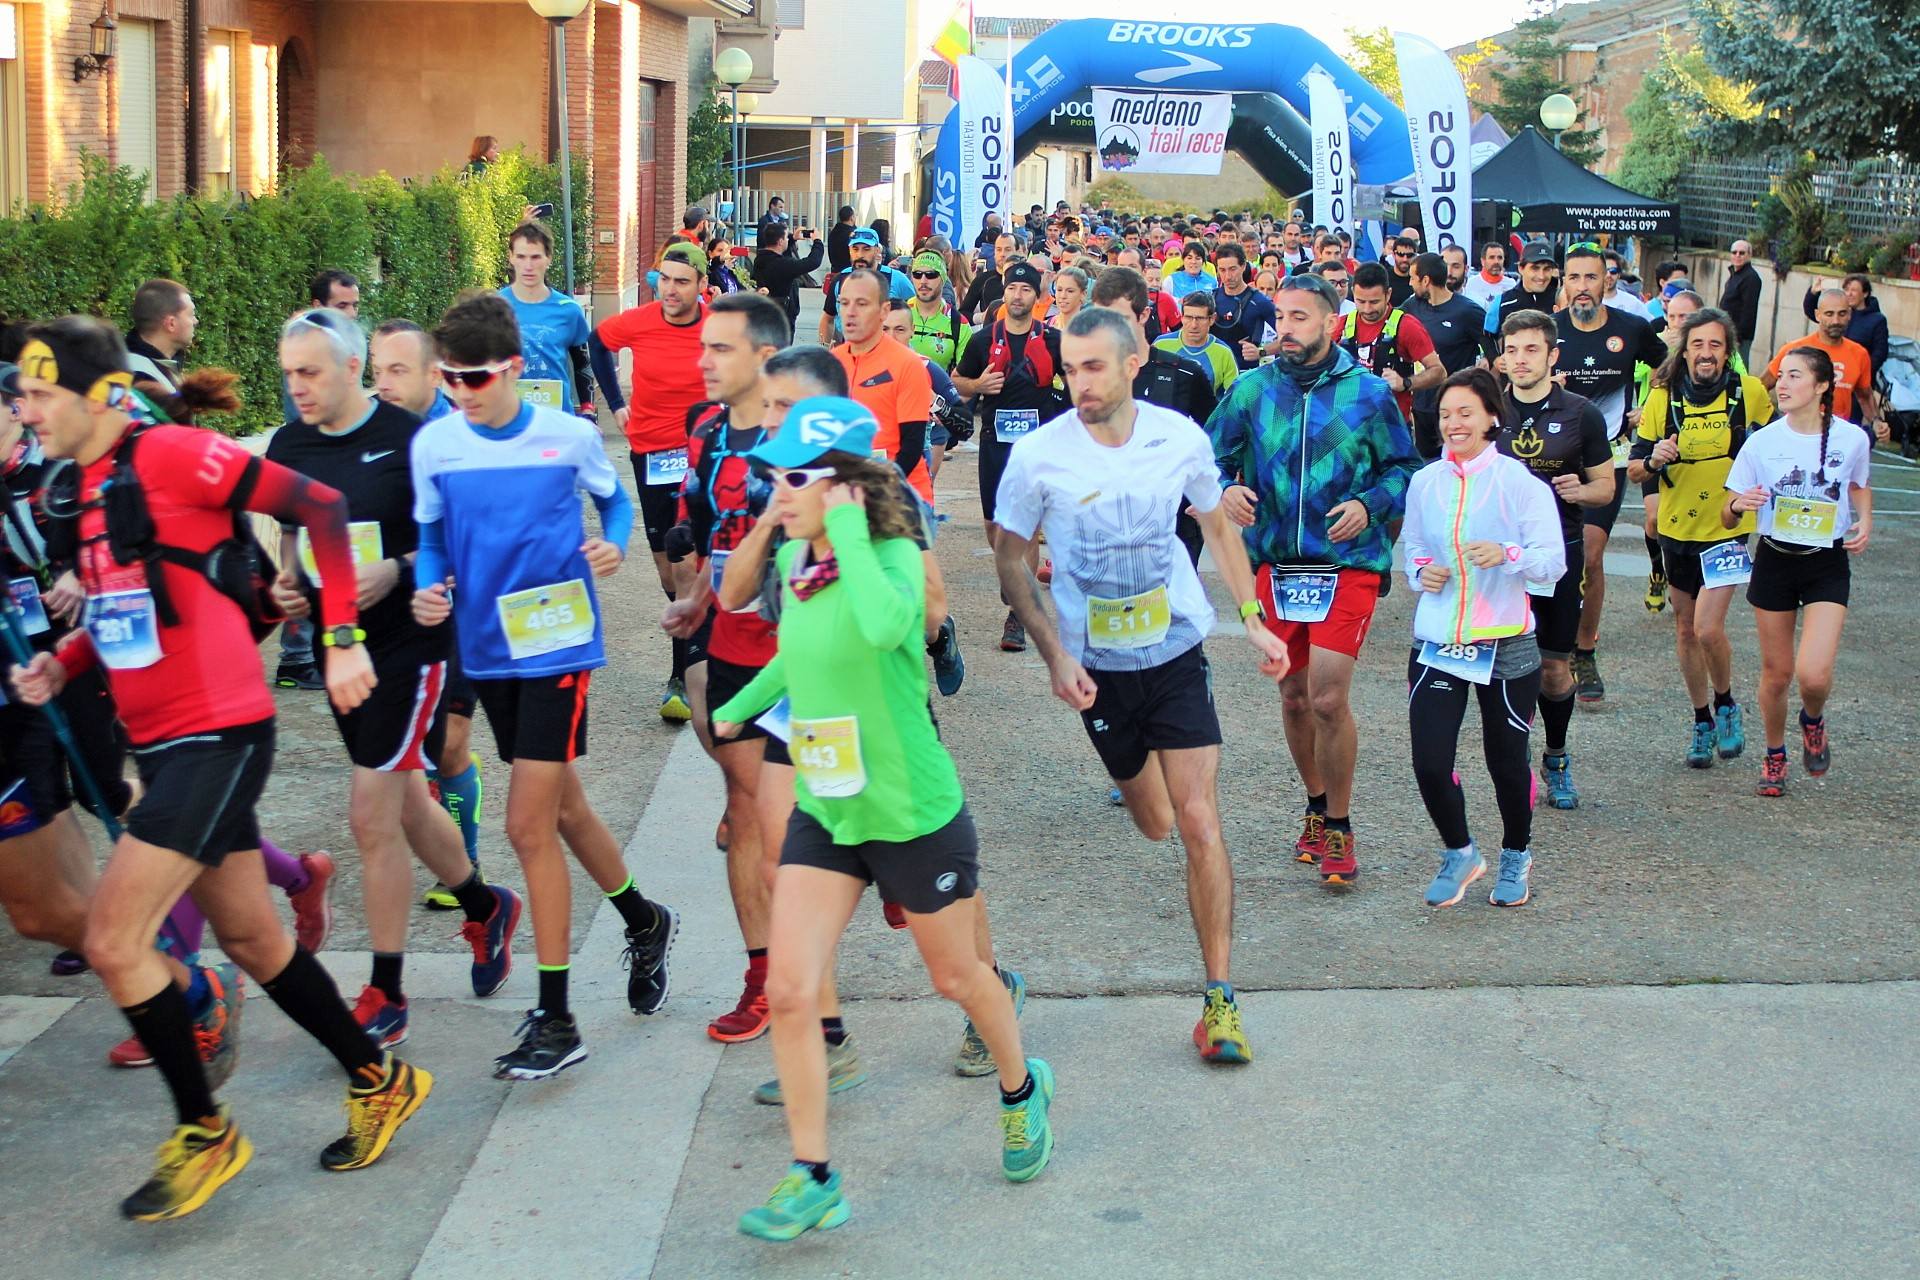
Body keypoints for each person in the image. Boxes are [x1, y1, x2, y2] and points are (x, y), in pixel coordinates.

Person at [10, 317, 429, 1219]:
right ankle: (379, 1077)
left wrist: (344, 635)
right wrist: (66, 662)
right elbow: (132, 607)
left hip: (222, 732)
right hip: (159, 744)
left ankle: (205, 1132)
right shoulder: (69, 490)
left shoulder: (174, 455)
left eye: (42, 394)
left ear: (97, 396)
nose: (25, 409)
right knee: (254, 940)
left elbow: (315, 507)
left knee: (119, 940)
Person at [714, 396, 1054, 1241]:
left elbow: (880, 625)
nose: (776, 488)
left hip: (910, 812)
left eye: (795, 476)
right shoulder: (799, 555)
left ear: (846, 487)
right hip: (829, 810)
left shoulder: (894, 558)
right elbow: (801, 652)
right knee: (791, 990)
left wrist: (854, 531)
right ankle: (812, 1173)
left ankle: (1021, 1088)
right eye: (776, 472)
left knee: (957, 979)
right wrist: (744, 710)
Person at [995, 306, 1289, 1059]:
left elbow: (1217, 525)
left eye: (1093, 366)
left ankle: (1220, 999)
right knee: (1155, 821)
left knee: (1199, 821)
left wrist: (1252, 617)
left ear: (1133, 363)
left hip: (1175, 651)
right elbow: (1009, 559)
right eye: (1070, 368)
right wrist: (1056, 654)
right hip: (1096, 670)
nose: (1078, 382)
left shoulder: (1178, 437)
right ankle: (1142, 795)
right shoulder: (1037, 456)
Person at [411, 292, 675, 1078]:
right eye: (449, 380)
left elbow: (614, 500)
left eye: (476, 378)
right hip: (487, 647)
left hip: (558, 643)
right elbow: (430, 539)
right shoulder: (438, 445)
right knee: (564, 809)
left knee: (527, 827)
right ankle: (645, 917)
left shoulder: (564, 435)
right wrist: (430, 586)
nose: (461, 393)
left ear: (515, 371)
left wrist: (616, 546)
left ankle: (556, 1017)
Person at [267, 308, 520, 1050]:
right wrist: (286, 586)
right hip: (338, 649)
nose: (298, 388)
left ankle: (387, 989)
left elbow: (463, 542)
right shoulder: (289, 443)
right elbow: (289, 529)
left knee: (369, 816)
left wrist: (400, 568)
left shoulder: (414, 443)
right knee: (405, 799)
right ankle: (486, 905)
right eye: (288, 374)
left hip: (414, 646)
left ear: (351, 368)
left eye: (310, 372)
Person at [1208, 273, 1419, 885]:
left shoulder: (1368, 394)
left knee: (1328, 697)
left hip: (1346, 563)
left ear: (1331, 323)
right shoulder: (1252, 391)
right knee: (1294, 697)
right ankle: (1316, 802)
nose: (1286, 328)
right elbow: (1207, 454)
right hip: (1277, 563)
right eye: (1281, 316)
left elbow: (1407, 467)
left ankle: (1341, 824)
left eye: (1300, 317)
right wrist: (1227, 489)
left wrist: (1371, 504)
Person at [659, 293, 790, 1043]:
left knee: (869, 834)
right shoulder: (706, 432)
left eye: (720, 349)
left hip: (817, 663)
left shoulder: (806, 436)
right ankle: (765, 978)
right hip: (738, 653)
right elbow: (709, 533)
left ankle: (983, 980)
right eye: (702, 347)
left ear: (764, 357)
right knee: (748, 811)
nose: (702, 361)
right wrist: (694, 601)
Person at [1403, 368, 1564, 909]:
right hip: (1438, 642)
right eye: (1445, 414)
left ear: (1492, 417)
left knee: (1506, 763)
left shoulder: (1521, 484)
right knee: (1429, 761)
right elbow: (1414, 551)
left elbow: (1553, 565)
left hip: (1506, 644)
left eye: (1465, 412)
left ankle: (1517, 852)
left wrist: (1508, 555)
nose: (1453, 424)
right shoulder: (1425, 482)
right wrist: (1422, 572)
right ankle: (1460, 851)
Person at [367, 320, 485, 900]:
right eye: (376, 370)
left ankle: (463, 863)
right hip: (395, 615)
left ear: (432, 375)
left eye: (396, 371)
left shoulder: (463, 437)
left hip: (465, 608)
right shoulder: (365, 432)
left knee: (451, 740)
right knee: (417, 748)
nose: (382, 384)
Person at [1723, 344, 1873, 796]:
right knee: (1777, 672)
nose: (1781, 384)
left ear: (1822, 385)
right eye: (1781, 376)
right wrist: (1738, 504)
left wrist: (1866, 519)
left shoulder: (1852, 439)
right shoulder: (1762, 442)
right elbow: (1728, 516)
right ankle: (1774, 755)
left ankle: (1812, 720)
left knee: (1814, 674)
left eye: (1794, 376)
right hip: (1775, 559)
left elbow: (1858, 485)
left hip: (1826, 562)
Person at [1628, 306, 1771, 768]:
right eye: (1697, 344)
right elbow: (1634, 470)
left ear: (1728, 351)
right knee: (1686, 629)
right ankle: (1701, 719)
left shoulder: (1749, 393)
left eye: (1715, 344)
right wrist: (1654, 461)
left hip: (1728, 525)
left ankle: (1727, 704)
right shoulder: (1662, 398)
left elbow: (1777, 444)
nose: (1706, 353)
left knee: (1709, 627)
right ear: (1684, 351)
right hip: (1676, 526)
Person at [1494, 310, 1614, 810]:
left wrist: (1581, 488)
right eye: (1513, 350)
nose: (1521, 360)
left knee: (1551, 669)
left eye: (1532, 350)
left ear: (1552, 356)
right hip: (1497, 561)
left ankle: (1557, 754)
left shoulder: (1581, 413)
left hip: (1556, 557)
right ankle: (1512, 761)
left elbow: (1606, 487)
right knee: (1502, 667)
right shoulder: (1486, 407)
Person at [590, 241, 708, 724]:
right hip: (652, 453)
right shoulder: (637, 321)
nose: (671, 290)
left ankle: (684, 673)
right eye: (665, 280)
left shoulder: (717, 324)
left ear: (701, 285)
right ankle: (697, 634)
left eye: (683, 281)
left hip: (703, 456)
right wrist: (616, 403)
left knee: (688, 561)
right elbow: (598, 344)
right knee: (666, 570)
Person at [1553, 244, 1669, 706]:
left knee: (1592, 557)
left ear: (1607, 282)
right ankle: (1542, 643)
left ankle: (1584, 650)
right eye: (1574, 277)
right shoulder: (1550, 330)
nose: (1583, 287)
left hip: (1610, 457)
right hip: (1553, 456)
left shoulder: (1631, 328)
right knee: (1550, 554)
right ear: (1565, 282)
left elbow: (1668, 366)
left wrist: (1648, 407)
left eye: (1591, 278)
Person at [952, 260, 1067, 653]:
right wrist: (979, 383)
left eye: (1026, 291)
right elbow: (957, 383)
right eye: (1013, 290)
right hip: (996, 445)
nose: (1018, 296)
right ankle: (1013, 576)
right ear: (1005, 293)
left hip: (1037, 449)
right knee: (995, 528)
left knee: (1027, 528)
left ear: (1037, 298)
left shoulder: (1052, 341)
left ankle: (1017, 614)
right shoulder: (984, 339)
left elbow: (1074, 384)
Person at [1091, 266, 1218, 568]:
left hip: (1174, 515)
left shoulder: (1185, 373)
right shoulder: (1090, 376)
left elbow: (1213, 434)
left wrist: (1210, 492)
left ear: (1144, 315)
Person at [498, 222, 593, 418]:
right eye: (521, 257)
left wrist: (588, 410)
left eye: (535, 257)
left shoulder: (568, 310)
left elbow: (583, 363)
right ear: (511, 258)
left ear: (548, 258)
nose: (528, 266)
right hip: (506, 418)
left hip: (556, 418)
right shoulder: (493, 307)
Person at [1403, 252, 1488, 461]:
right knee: (1426, 465)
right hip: (1421, 406)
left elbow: (1494, 349)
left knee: (1458, 463)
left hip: (1456, 408)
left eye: (1413, 278)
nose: (1410, 283)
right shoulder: (1412, 306)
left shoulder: (1468, 311)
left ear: (1426, 280)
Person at [1340, 262, 1442, 429]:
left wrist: (1406, 383)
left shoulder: (1407, 326)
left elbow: (1438, 371)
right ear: (1353, 294)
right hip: (1350, 429)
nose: (1367, 309)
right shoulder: (1343, 325)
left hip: (1392, 429)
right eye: (1361, 301)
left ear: (1388, 295)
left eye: (1374, 302)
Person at [1766, 289, 1879, 435]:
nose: (1836, 321)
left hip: (1836, 436)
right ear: (1817, 315)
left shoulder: (1859, 354)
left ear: (1850, 314)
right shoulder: (1794, 350)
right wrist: (1768, 418)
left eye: (1842, 314)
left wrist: (1877, 422)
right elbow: (1761, 386)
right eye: (1829, 314)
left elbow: (1865, 396)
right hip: (1797, 433)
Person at [820, 228, 911, 344]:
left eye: (866, 249)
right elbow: (828, 318)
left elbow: (916, 313)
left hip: (887, 354)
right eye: (855, 249)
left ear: (877, 251)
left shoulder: (896, 279)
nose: (860, 255)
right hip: (849, 354)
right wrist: (825, 350)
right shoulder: (840, 279)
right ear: (849, 250)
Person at [1803, 273, 1889, 379]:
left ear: (1865, 293)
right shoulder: (1839, 314)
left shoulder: (1877, 320)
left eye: (1854, 290)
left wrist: (1862, 372)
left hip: (1856, 376)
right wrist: (1813, 293)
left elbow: (1880, 353)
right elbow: (1813, 313)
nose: (1849, 294)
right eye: (1846, 290)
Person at [1153, 292, 1238, 398]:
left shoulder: (1224, 352)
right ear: (1182, 317)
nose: (1194, 325)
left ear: (1212, 319)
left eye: (1200, 318)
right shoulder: (1161, 345)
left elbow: (1235, 397)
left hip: (1206, 413)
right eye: (1188, 317)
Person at [904, 250, 973, 377]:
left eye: (931, 275)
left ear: (943, 278)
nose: (923, 281)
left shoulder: (959, 324)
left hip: (939, 394)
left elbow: (965, 379)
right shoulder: (897, 315)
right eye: (917, 274)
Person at [1211, 244, 1279, 371]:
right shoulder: (1211, 298)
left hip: (1245, 374)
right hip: (1215, 372)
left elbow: (1289, 337)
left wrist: (1262, 352)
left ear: (1243, 267)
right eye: (1222, 270)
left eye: (1232, 269)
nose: (1227, 276)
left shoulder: (1259, 301)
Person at [124, 279, 195, 393]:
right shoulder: (138, 377)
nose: (195, 321)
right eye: (191, 315)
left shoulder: (164, 366)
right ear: (171, 323)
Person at [752, 222, 825, 328]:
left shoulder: (762, 258)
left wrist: (792, 239)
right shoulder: (781, 265)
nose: (788, 239)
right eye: (786, 237)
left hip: (768, 312)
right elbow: (812, 262)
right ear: (780, 241)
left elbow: (782, 254)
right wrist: (817, 242)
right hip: (782, 317)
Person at [1489, 240, 1561, 343]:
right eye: (1535, 268)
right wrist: (1495, 358)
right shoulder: (1503, 302)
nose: (1541, 276)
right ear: (1521, 268)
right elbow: (1486, 335)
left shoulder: (1560, 299)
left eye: (1547, 269)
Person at [1718, 240, 1763, 367]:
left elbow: (1748, 310)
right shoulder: (1735, 274)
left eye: (1742, 253)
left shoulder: (1751, 278)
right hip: (1727, 331)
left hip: (1739, 337)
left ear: (1749, 255)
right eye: (1734, 252)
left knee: (1738, 370)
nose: (1737, 255)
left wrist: (1738, 336)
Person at [1460, 241, 1516, 312]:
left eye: (1500, 258)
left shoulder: (1511, 284)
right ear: (1483, 261)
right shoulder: (1471, 284)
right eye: (1491, 257)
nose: (1496, 261)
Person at [1050, 265, 1090, 330]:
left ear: (1083, 294)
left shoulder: (1091, 331)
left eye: (1070, 291)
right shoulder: (1044, 328)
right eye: (1059, 290)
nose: (1063, 296)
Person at [1385, 235, 1418, 307]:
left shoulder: (1419, 280)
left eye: (1409, 255)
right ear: (1393, 255)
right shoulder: (1383, 277)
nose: (1405, 259)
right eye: (1401, 254)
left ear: (1415, 256)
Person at [826, 205, 857, 276]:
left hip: (835, 270)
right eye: (855, 215)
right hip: (850, 272)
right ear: (852, 217)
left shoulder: (833, 232)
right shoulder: (853, 234)